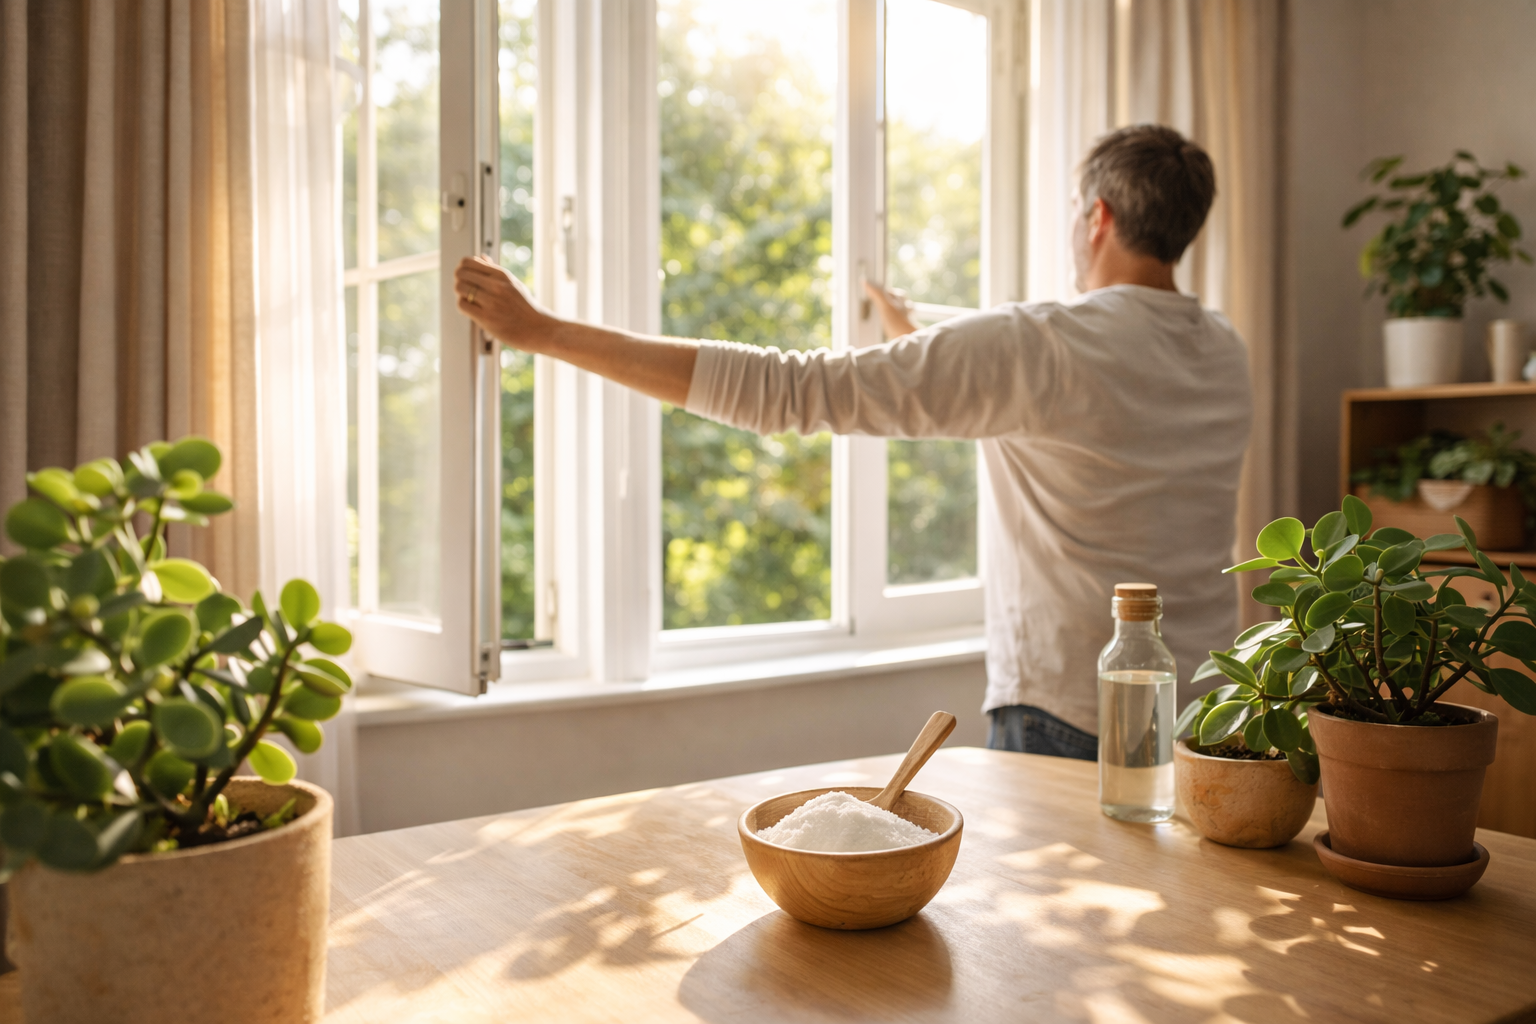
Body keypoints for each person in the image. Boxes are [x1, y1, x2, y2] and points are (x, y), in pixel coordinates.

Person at [452, 124, 1252, 760]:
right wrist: (910, 336)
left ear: (1098, 217)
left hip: (1075, 717)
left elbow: (790, 390)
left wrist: (545, 331)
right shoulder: (1223, 350)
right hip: (1211, 712)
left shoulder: (1041, 342)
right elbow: (1068, 415)